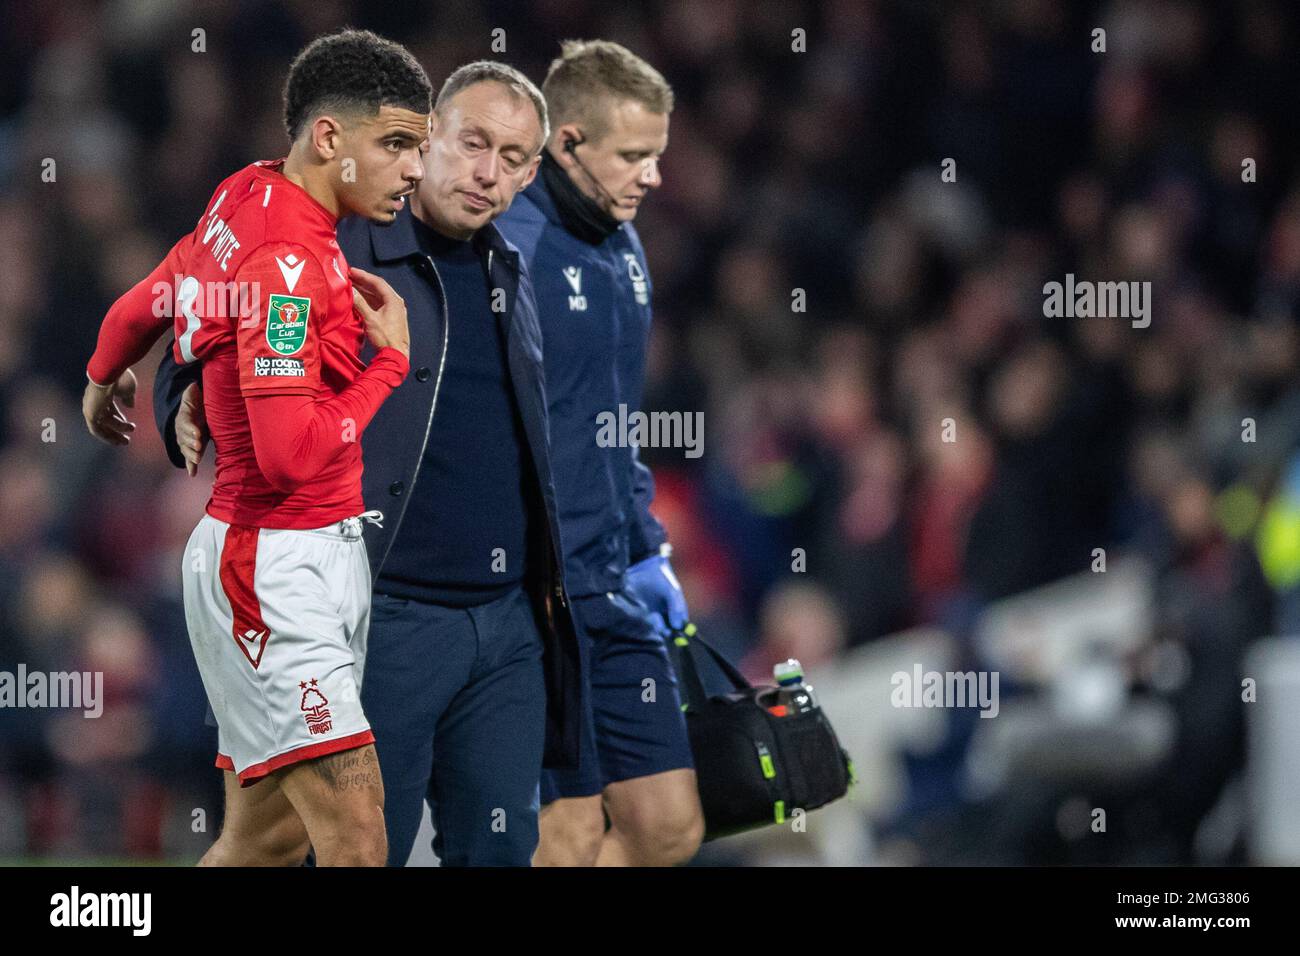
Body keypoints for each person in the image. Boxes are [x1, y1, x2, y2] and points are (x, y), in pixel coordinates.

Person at [156, 61, 583, 866]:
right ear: (426, 144)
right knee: (344, 848)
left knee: (500, 851)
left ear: (532, 173)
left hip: (505, 626)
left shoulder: (512, 273)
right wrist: (185, 391)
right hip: (380, 610)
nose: (488, 172)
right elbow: (200, 297)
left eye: (514, 157)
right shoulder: (334, 238)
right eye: (472, 143)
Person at [81, 28, 430, 866]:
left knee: (261, 843)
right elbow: (288, 457)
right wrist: (389, 366)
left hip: (293, 555)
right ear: (328, 138)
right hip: (273, 568)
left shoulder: (245, 193)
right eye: (396, 145)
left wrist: (104, 372)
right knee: (358, 836)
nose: (414, 170)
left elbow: (153, 294)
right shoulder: (288, 267)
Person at [498, 40, 704, 866]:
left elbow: (614, 417)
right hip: (537, 595)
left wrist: (648, 547)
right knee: (571, 834)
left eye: (657, 154)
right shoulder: (509, 246)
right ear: (568, 141)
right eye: (633, 155)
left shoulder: (625, 247)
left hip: (614, 580)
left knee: (670, 826)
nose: (652, 176)